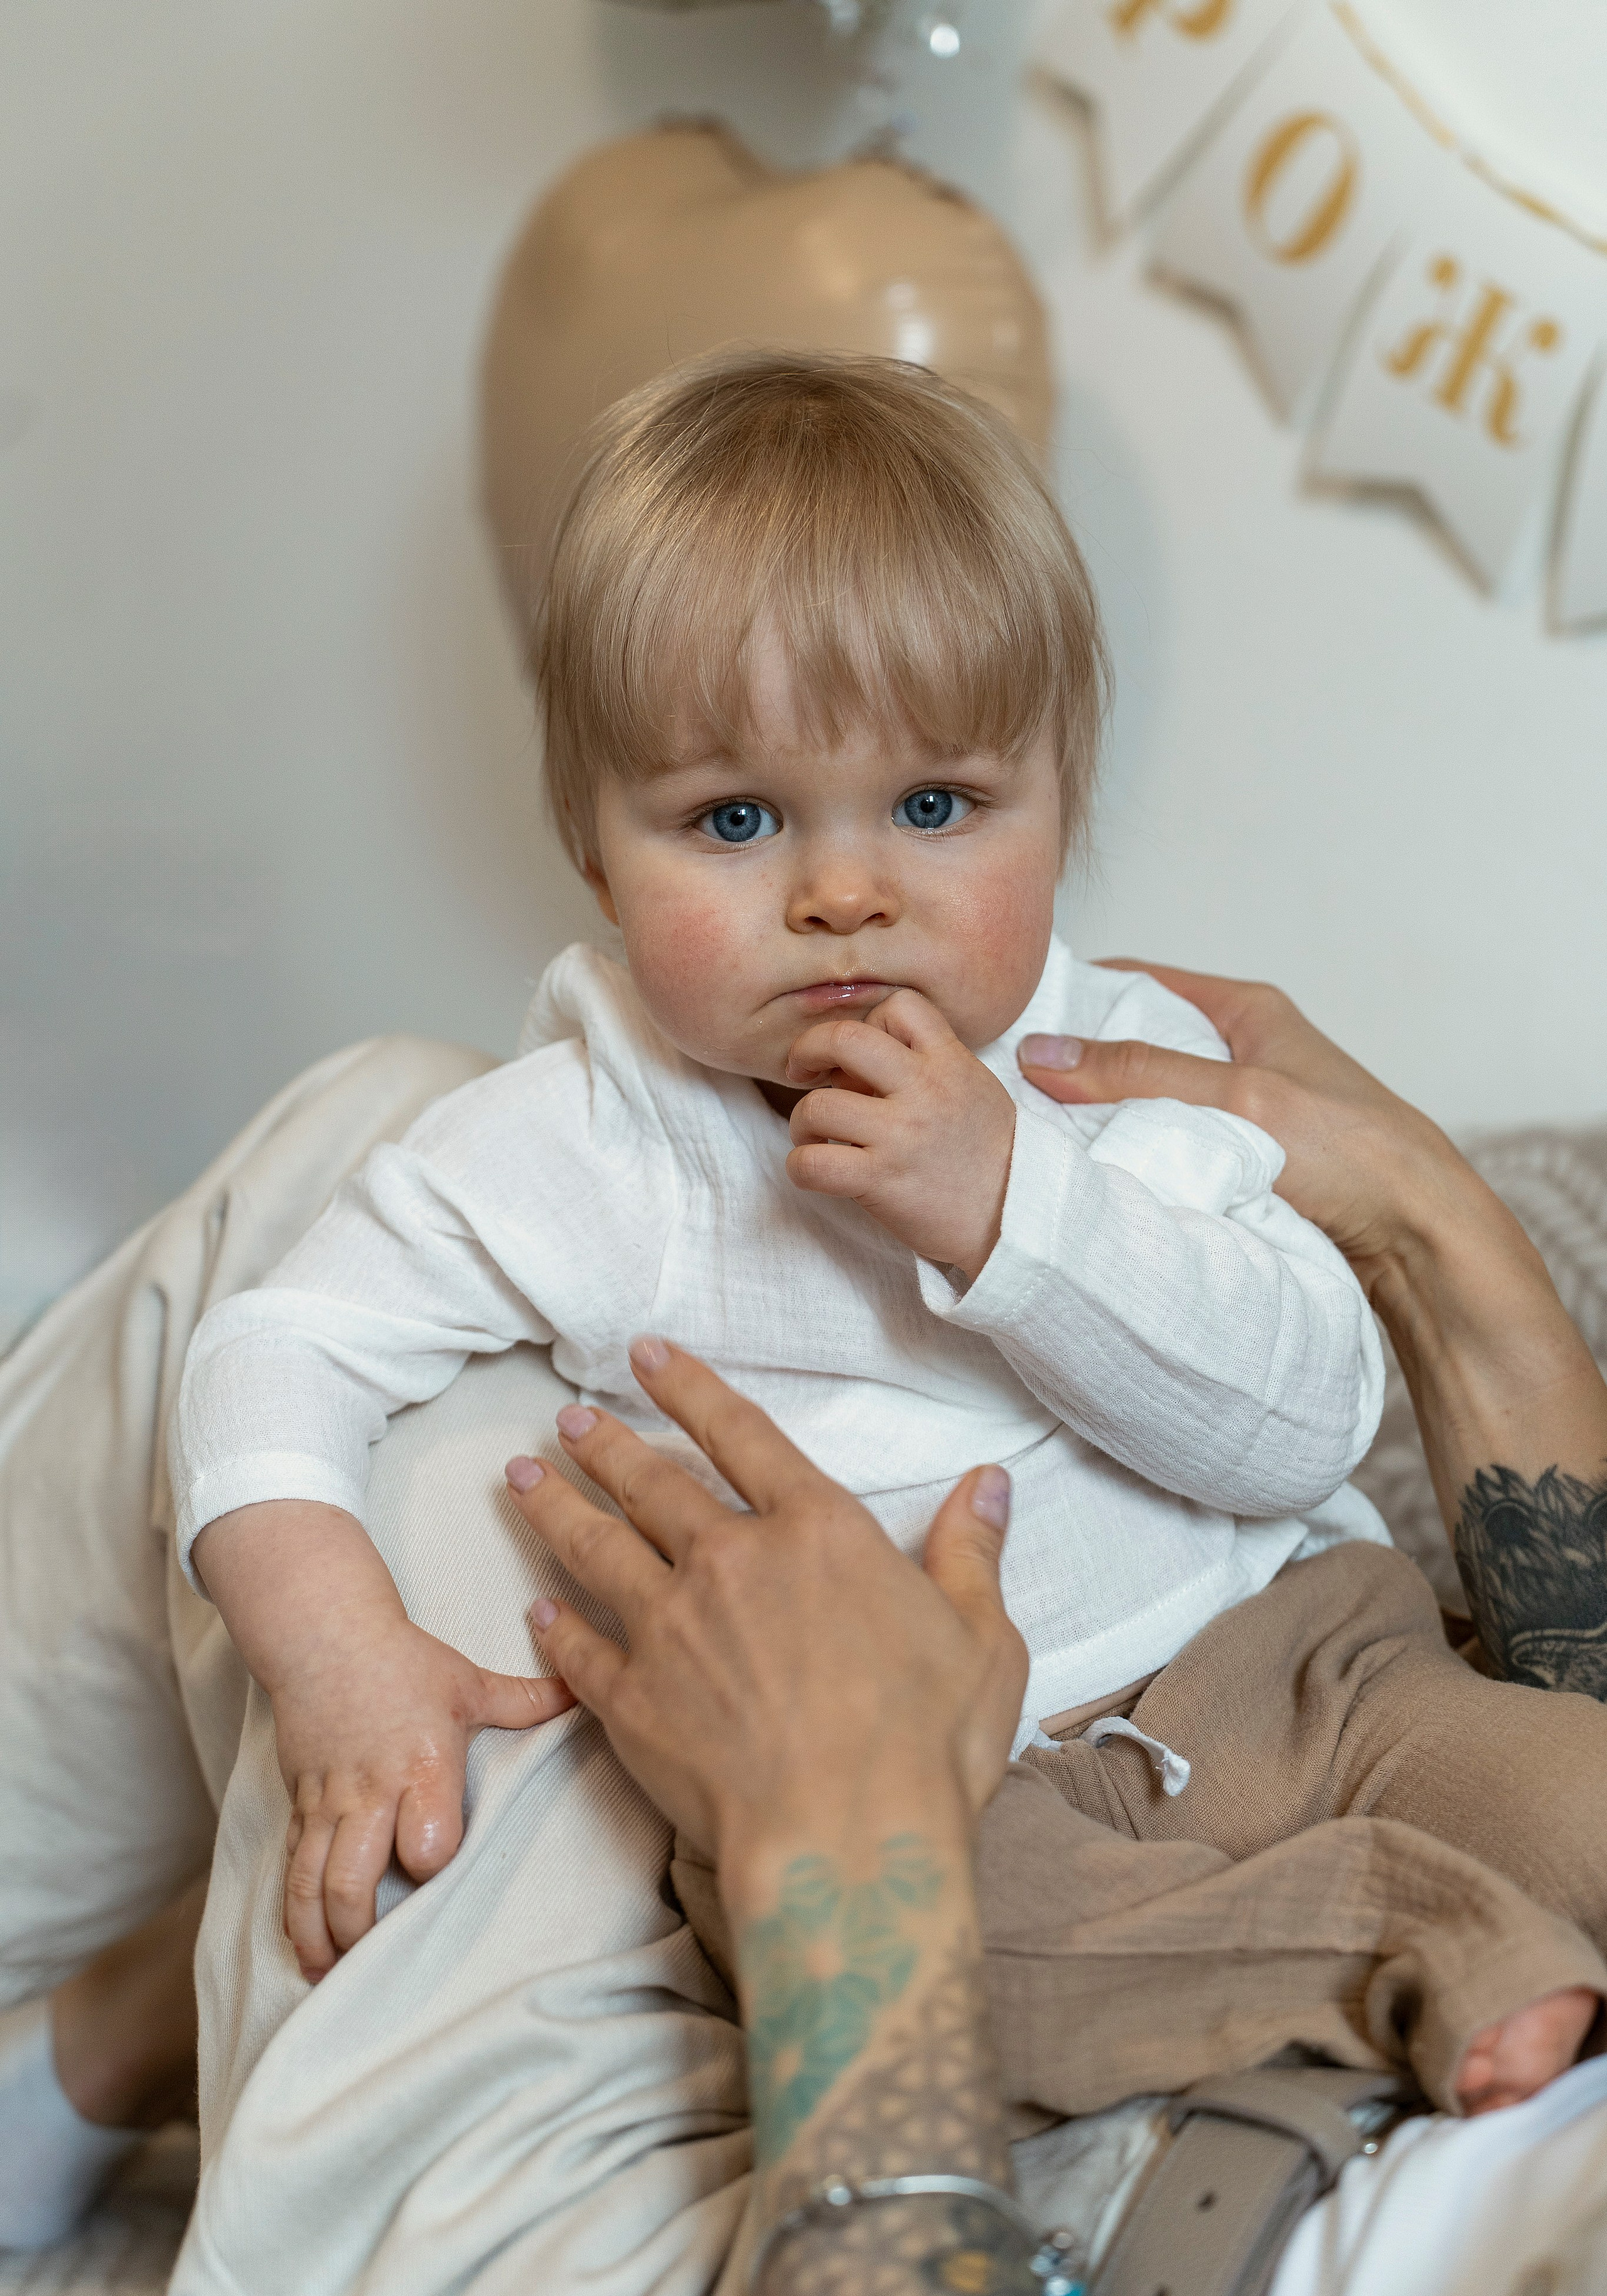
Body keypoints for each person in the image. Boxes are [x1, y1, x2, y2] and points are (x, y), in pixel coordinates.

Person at [166, 351, 1601, 2124]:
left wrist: (1018, 1209)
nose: (845, 892)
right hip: (938, 1788)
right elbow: (266, 1351)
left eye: (935, 807)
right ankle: (1404, 1947)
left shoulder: (1097, 1063)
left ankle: (1457, 1911)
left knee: (1577, 1799)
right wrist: (336, 1653)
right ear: (598, 861)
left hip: (1308, 1659)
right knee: (954, 1989)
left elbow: (1303, 1422)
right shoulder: (590, 1133)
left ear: (1061, 805)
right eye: (736, 819)